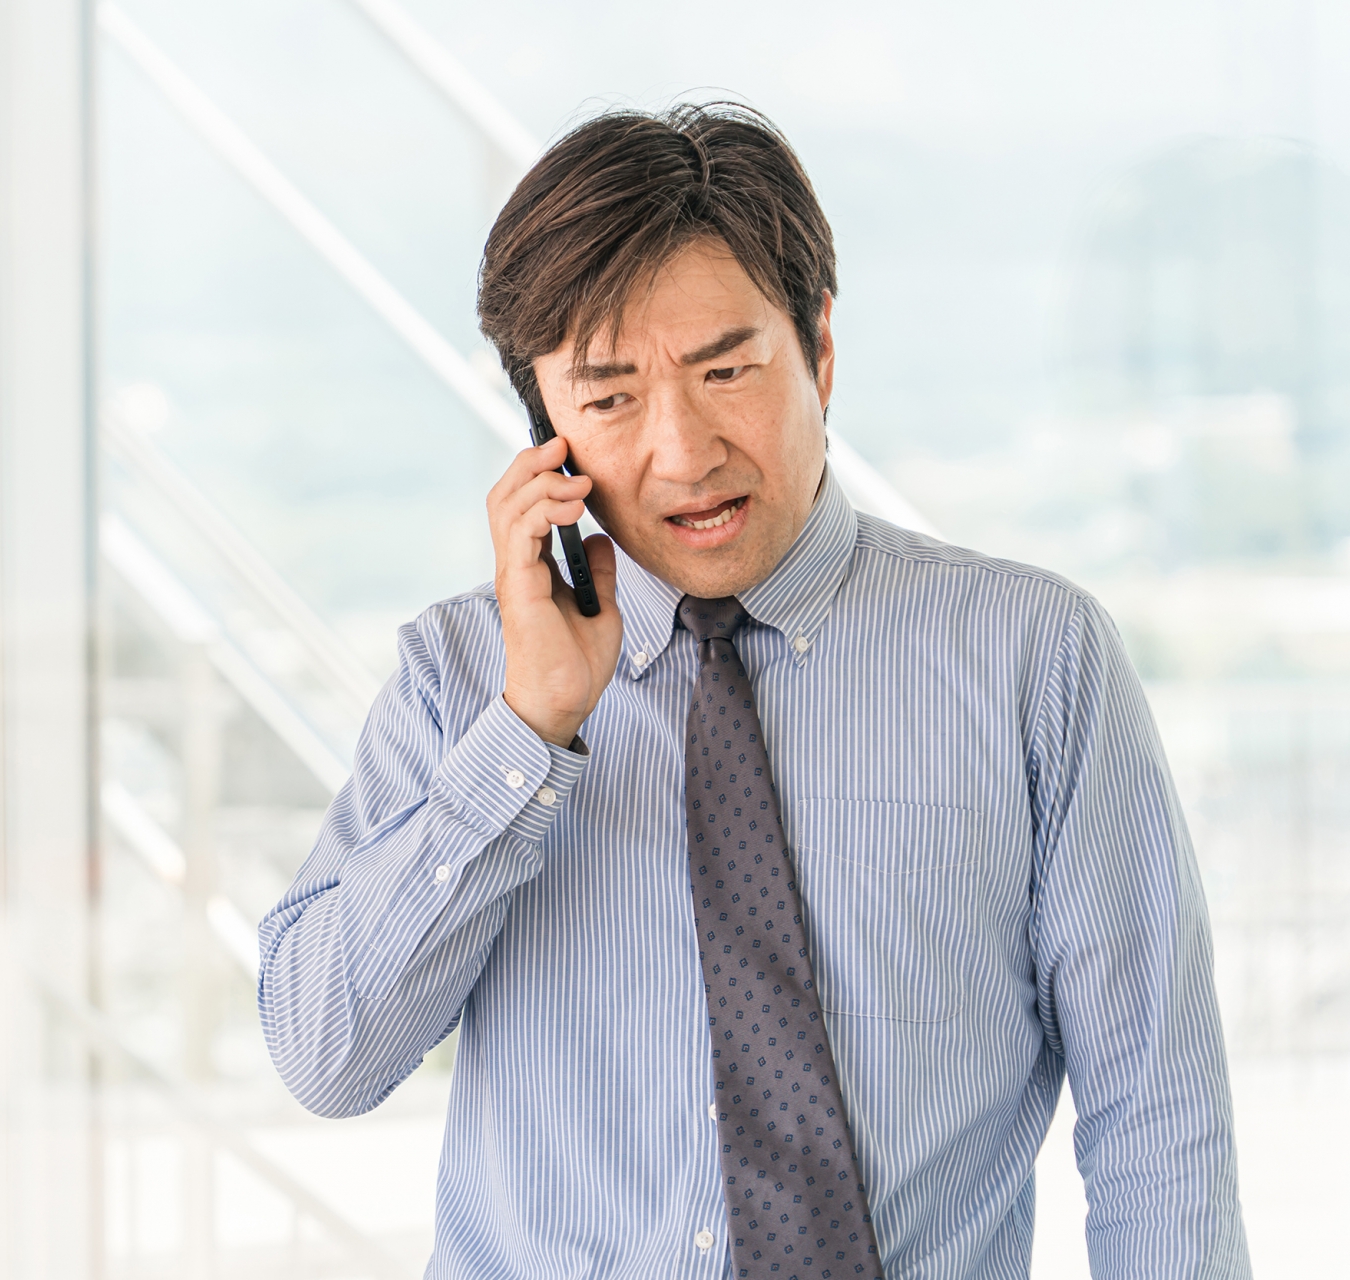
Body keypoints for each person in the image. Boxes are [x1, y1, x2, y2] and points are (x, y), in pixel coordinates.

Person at [257, 104, 1248, 1279]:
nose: (683, 450)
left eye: (727, 370)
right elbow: (327, 1054)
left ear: (819, 347)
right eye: (611, 396)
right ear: (546, 430)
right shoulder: (460, 682)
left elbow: (1157, 1122)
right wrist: (527, 734)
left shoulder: (1036, 658)